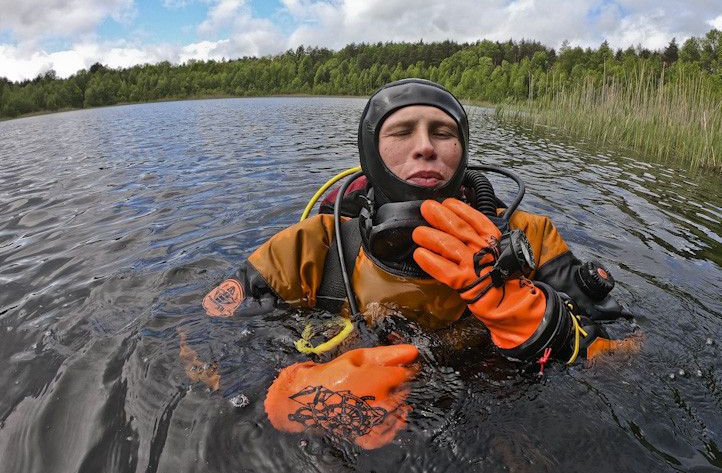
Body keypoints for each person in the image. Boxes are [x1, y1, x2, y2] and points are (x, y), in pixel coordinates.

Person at [196, 79, 634, 449]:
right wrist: (292, 391)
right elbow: (201, 338)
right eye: (402, 131)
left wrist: (544, 325)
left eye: (443, 132)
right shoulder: (312, 246)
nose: (425, 146)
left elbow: (629, 357)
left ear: (462, 150)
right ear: (370, 151)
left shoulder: (529, 237)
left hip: (490, 430)